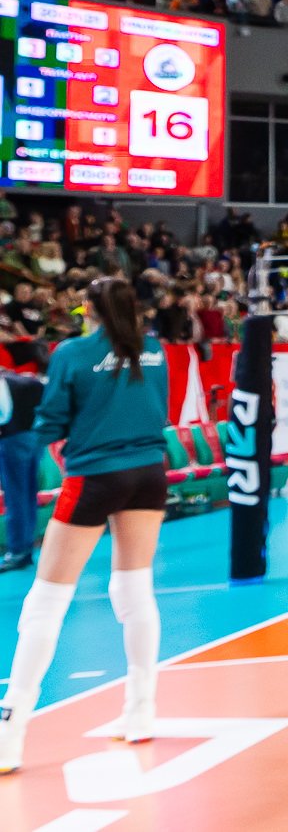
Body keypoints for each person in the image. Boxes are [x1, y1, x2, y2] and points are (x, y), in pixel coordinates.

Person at [0, 277, 170, 773]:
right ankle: (141, 711)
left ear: (88, 310)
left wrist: (36, 435)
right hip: (149, 473)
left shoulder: (73, 353)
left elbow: (52, 418)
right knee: (134, 589)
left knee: (46, 601)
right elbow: (156, 407)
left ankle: (10, 732)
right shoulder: (153, 349)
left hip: (95, 476)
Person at [0, 362, 44, 571]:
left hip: (12, 440)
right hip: (34, 437)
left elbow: (4, 415)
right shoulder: (28, 380)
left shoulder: (4, 384)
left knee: (15, 496)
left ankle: (18, 550)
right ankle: (25, 548)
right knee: (28, 494)